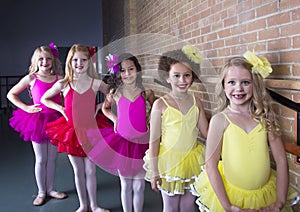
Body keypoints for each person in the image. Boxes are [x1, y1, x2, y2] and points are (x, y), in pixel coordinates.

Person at [191, 51, 299, 212]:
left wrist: (280, 201)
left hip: (265, 195)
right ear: (223, 85)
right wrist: (227, 206)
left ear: (254, 84)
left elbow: (282, 161)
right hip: (231, 196)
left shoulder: (265, 116)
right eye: (232, 82)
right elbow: (210, 165)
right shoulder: (220, 120)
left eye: (246, 82)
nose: (238, 88)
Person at [41, 44, 111, 212]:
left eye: (84, 60)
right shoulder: (64, 83)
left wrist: (100, 106)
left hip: (92, 131)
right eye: (75, 60)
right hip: (72, 133)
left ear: (89, 62)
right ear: (70, 62)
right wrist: (61, 109)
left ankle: (94, 205)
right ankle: (83, 205)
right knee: (78, 171)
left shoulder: (96, 83)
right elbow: (45, 98)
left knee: (91, 170)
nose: (79, 63)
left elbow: (113, 95)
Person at [85, 53, 155, 212]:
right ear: (118, 73)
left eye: (131, 69)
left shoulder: (146, 92)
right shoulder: (115, 93)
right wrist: (115, 119)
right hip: (123, 142)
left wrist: (149, 118)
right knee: (126, 185)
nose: (127, 73)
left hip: (142, 143)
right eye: (123, 70)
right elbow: (105, 108)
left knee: (139, 186)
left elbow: (155, 107)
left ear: (137, 70)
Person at [143, 45, 208, 212]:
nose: (182, 80)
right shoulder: (160, 104)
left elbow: (206, 132)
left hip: (193, 159)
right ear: (167, 78)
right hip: (169, 162)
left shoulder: (196, 101)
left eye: (187, 75)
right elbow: (154, 140)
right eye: (176, 76)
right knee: (170, 206)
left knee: (187, 206)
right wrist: (156, 170)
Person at [7, 43, 67, 206]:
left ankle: (51, 189)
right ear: (35, 61)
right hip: (37, 120)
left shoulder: (59, 79)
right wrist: (26, 107)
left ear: (53, 61)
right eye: (41, 59)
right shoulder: (31, 78)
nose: (45, 62)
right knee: (41, 159)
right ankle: (41, 192)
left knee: (52, 158)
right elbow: (11, 94)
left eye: (48, 59)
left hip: (55, 120)